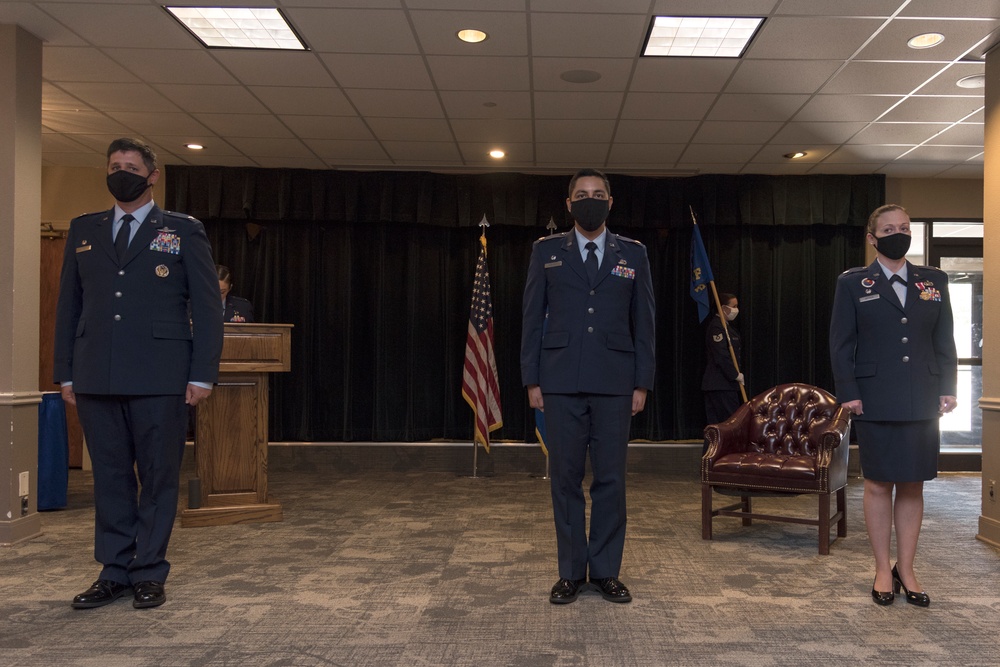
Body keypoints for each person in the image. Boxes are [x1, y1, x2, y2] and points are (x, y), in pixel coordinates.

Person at [54, 138, 224, 610]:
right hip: (96, 375)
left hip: (161, 375)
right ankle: (113, 571)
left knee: (157, 475)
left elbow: (208, 309)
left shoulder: (182, 231)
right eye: (114, 165)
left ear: (152, 175)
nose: (121, 172)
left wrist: (202, 374)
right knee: (109, 477)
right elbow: (69, 306)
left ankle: (148, 570)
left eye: (131, 166)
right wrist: (65, 372)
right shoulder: (84, 230)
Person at [520, 168, 656, 604]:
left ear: (611, 202)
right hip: (559, 382)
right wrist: (531, 379)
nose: (590, 200)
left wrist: (642, 383)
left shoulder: (633, 254)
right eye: (581, 195)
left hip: (616, 383)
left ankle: (605, 571)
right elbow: (530, 320)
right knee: (564, 479)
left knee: (611, 480)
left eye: (598, 194)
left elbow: (645, 325)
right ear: (568, 204)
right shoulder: (546, 252)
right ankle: (570, 573)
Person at [829, 204, 957, 608]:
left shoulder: (934, 280)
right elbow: (841, 343)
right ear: (872, 238)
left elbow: (945, 338)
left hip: (922, 395)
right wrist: (848, 391)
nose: (898, 233)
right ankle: (883, 568)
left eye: (903, 227)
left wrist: (948, 387)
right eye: (888, 229)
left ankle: (908, 567)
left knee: (914, 484)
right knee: (878, 483)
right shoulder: (853, 283)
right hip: (875, 398)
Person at [701, 292, 744, 434]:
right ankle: (715, 456)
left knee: (721, 428)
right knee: (725, 426)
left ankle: (716, 456)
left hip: (726, 385)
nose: (736, 309)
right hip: (720, 384)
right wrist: (734, 375)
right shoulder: (717, 328)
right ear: (724, 308)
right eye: (734, 306)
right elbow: (722, 357)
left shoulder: (727, 328)